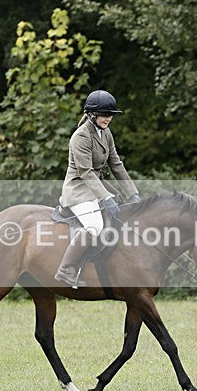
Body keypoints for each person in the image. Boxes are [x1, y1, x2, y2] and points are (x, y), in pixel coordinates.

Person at [55, 90, 141, 288]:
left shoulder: (106, 133)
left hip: (96, 185)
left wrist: (133, 193)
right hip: (78, 189)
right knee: (94, 226)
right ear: (92, 115)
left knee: (122, 213)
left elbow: (116, 164)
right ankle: (66, 269)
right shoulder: (81, 136)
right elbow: (85, 172)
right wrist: (105, 198)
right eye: (104, 114)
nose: (108, 119)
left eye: (110, 115)